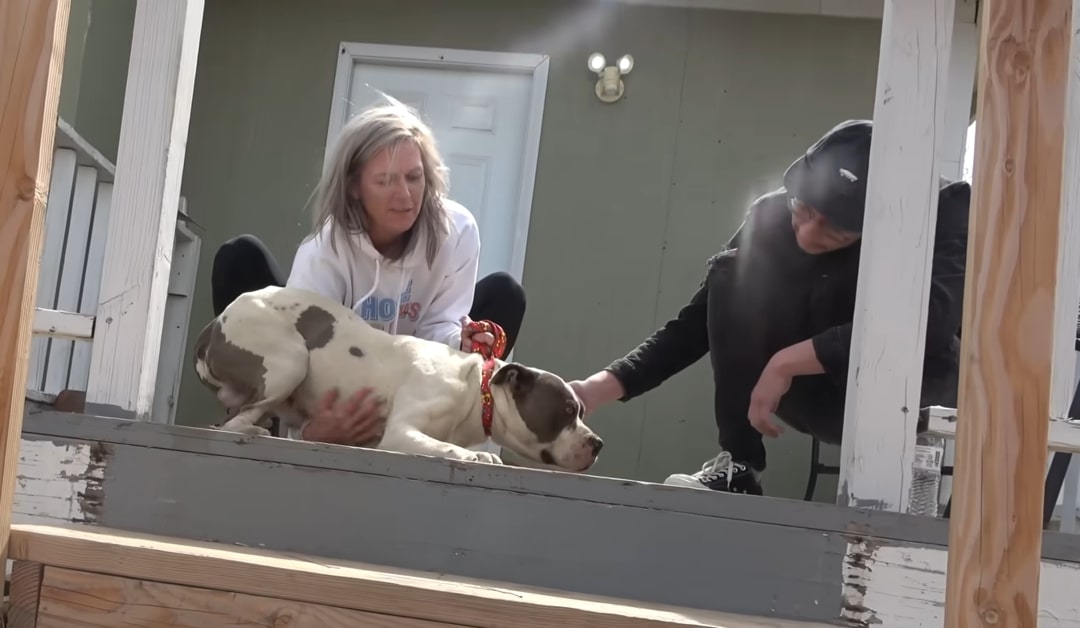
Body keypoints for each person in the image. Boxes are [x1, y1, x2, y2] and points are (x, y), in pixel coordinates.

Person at [569, 120, 971, 495]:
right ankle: (740, 468)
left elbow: (931, 324)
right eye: (805, 209)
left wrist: (788, 361)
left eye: (836, 227)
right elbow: (697, 324)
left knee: (927, 330)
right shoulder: (770, 215)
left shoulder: (943, 213)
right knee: (731, 272)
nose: (810, 232)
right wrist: (593, 391)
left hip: (913, 393)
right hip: (809, 398)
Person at [209, 103, 527, 446]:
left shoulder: (458, 231)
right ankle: (259, 415)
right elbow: (302, 348)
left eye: (414, 177)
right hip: (329, 375)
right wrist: (311, 431)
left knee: (505, 292)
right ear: (355, 187)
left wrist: (460, 342)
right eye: (385, 181)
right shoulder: (324, 251)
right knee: (241, 258)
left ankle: (436, 433)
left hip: (411, 380)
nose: (405, 195)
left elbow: (439, 328)